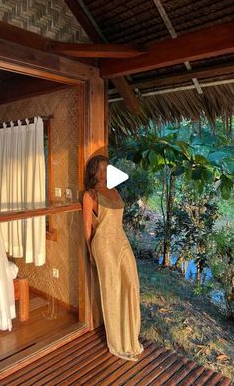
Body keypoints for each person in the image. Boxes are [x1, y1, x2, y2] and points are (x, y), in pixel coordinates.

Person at [82, 154, 144, 361]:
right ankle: (118, 342)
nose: (102, 173)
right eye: (98, 169)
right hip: (103, 245)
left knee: (131, 285)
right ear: (93, 172)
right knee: (111, 290)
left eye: (106, 168)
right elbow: (87, 229)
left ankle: (130, 335)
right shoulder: (89, 195)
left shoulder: (115, 191)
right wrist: (91, 253)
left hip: (121, 242)